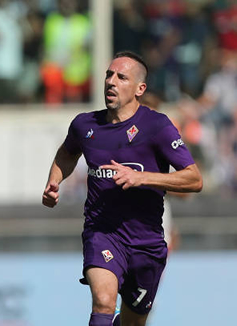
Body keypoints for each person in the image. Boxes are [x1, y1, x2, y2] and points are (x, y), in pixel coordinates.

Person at [42, 51, 202, 326]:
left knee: (132, 322)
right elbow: (67, 154)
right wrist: (54, 180)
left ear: (140, 88)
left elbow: (194, 179)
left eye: (121, 77)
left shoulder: (157, 126)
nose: (111, 81)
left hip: (146, 242)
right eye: (108, 74)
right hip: (102, 232)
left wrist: (144, 178)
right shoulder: (85, 125)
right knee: (104, 301)